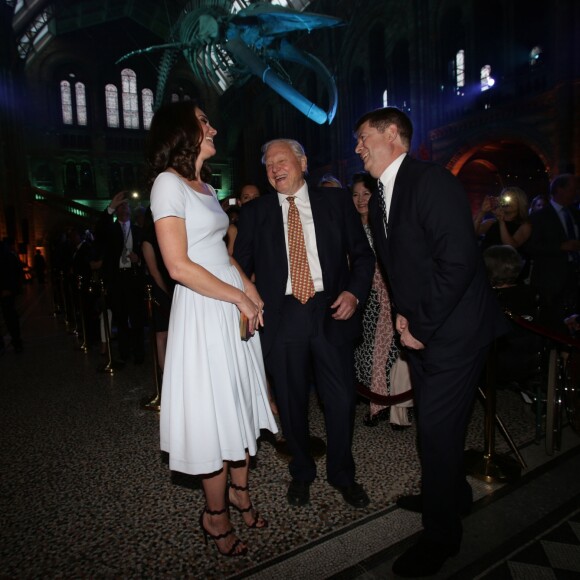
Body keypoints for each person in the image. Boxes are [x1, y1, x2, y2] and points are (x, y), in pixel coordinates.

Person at [354, 107, 507, 577]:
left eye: (363, 138)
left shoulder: (431, 181)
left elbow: (458, 262)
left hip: (455, 333)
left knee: (437, 434)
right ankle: (452, 494)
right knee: (436, 431)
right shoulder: (380, 196)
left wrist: (418, 322)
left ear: (393, 135)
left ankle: (441, 537)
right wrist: (404, 315)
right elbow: (402, 268)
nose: (357, 148)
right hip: (421, 328)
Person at [147, 101, 277, 558]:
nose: (214, 127)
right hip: (203, 311)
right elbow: (179, 265)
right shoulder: (167, 184)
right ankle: (214, 515)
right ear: (184, 131)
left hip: (227, 304)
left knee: (237, 400)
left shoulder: (203, 184)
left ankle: (241, 490)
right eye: (205, 122)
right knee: (211, 412)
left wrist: (249, 290)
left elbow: (221, 254)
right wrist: (238, 296)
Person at [234, 138, 374, 509]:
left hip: (331, 310)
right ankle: (301, 471)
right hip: (282, 317)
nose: (275, 169)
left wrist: (354, 294)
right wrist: (247, 299)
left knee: (341, 400)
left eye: (282, 161)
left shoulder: (336, 202)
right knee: (292, 403)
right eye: (268, 165)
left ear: (303, 162)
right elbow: (237, 265)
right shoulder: (255, 213)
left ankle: (343, 473)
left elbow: (362, 256)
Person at [350, 172, 411, 428]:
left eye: (366, 193)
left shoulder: (385, 225)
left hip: (387, 298)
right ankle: (376, 403)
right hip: (360, 300)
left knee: (390, 355)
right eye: (355, 194)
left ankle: (391, 408)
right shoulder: (349, 227)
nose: (360, 199)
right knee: (364, 353)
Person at [94, 193, 146, 364]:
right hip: (117, 280)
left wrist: (138, 260)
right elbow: (99, 230)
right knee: (121, 318)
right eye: (120, 206)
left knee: (137, 318)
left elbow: (148, 253)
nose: (124, 208)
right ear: (116, 211)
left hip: (134, 278)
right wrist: (109, 207)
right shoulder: (110, 230)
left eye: (126, 205)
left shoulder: (138, 231)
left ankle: (139, 353)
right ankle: (124, 353)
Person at [527, 174, 580, 333]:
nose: (576, 193)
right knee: (552, 323)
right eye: (572, 189)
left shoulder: (575, 213)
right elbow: (530, 247)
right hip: (551, 280)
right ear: (559, 190)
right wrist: (560, 247)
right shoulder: (539, 217)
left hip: (575, 276)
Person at [141, 207, 175, 371]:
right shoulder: (147, 239)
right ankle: (163, 372)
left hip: (173, 284)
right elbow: (154, 271)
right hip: (159, 290)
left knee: (172, 331)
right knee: (162, 332)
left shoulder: (169, 232)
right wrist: (167, 293)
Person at [474, 186, 532, 252]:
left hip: (506, 261)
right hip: (484, 259)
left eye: (511, 198)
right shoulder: (492, 222)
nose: (507, 201)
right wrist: (482, 212)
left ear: (520, 202)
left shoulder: (525, 226)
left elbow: (510, 246)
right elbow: (472, 232)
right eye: (504, 198)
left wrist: (501, 221)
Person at [0, 238, 24, 354]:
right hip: (7, 290)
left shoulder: (7, 256)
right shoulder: (9, 255)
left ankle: (16, 341)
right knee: (10, 317)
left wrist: (9, 289)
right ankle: (14, 341)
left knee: (10, 317)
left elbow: (15, 272)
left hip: (6, 291)